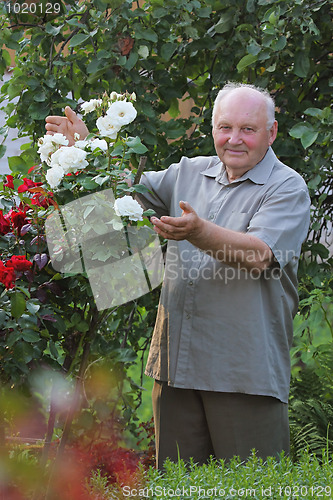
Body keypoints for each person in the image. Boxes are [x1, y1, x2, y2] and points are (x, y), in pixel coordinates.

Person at [45, 82, 311, 468]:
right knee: (177, 486)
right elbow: (122, 195)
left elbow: (260, 255)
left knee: (250, 489)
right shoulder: (186, 173)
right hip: (174, 372)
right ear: (213, 128)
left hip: (243, 376)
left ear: (271, 132)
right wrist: (85, 152)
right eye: (225, 127)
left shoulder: (287, 187)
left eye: (248, 130)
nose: (234, 139)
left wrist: (197, 232)